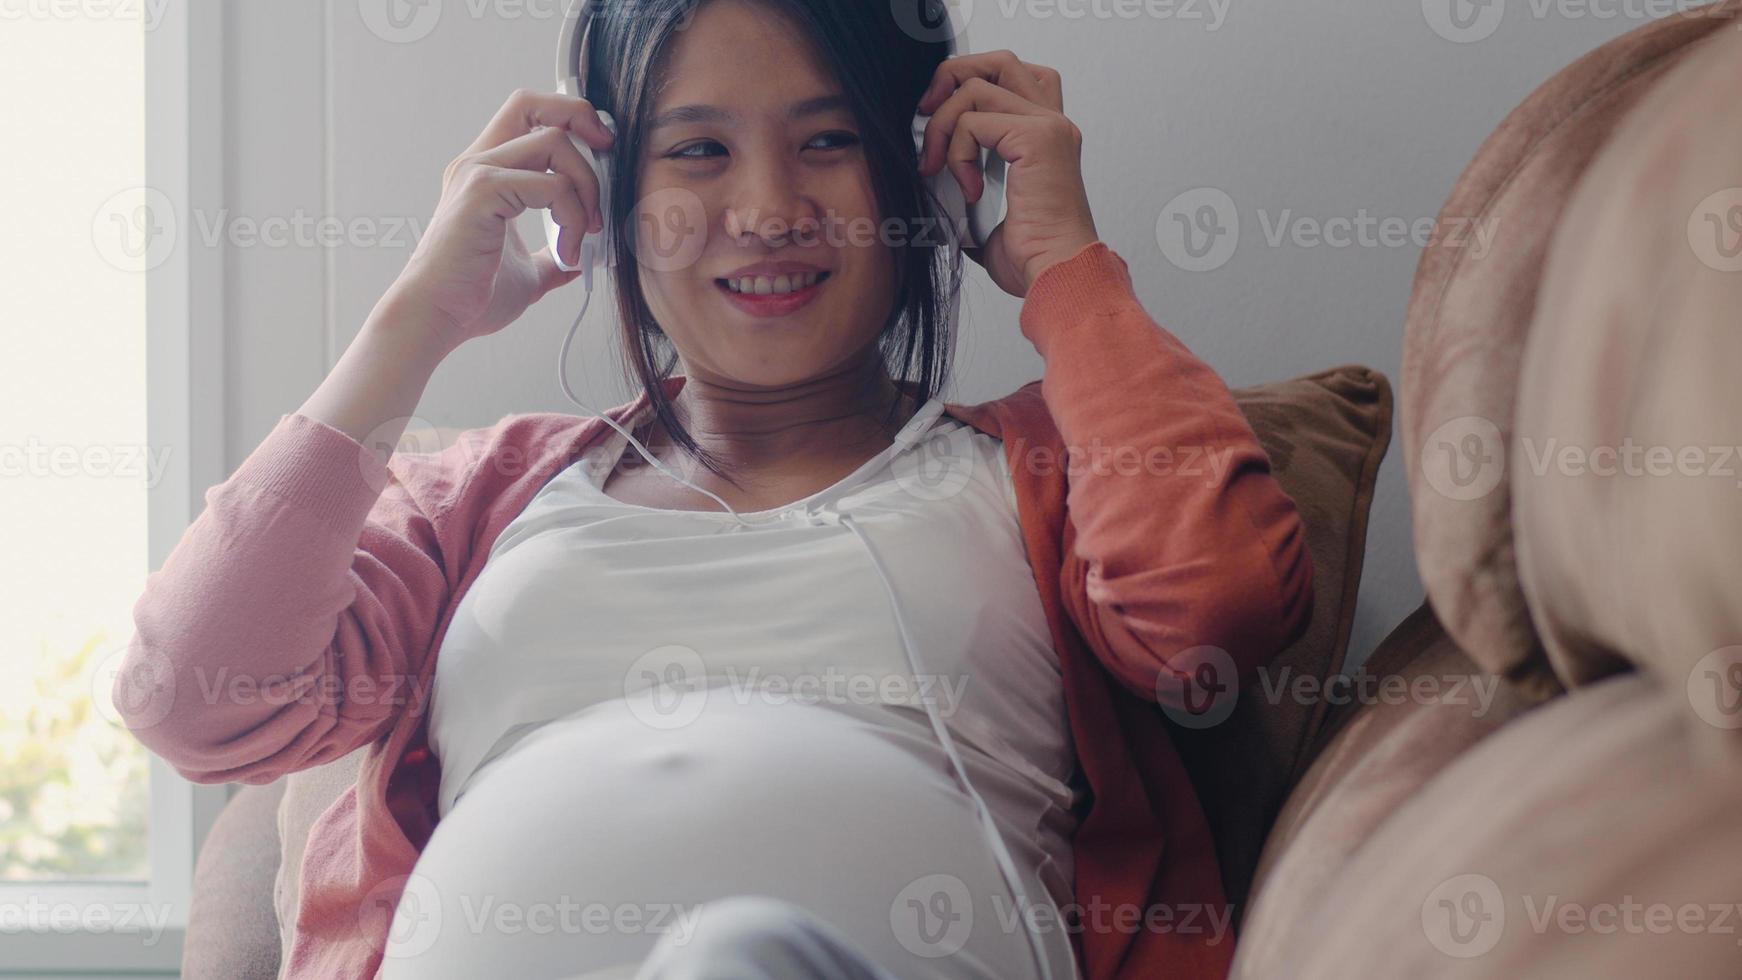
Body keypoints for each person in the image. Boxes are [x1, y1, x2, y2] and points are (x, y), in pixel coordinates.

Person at [117, 1, 1313, 977]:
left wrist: (1066, 265)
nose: (767, 210)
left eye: (829, 140)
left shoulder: (1042, 473)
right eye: (697, 149)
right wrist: (414, 320)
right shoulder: (478, 501)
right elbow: (192, 696)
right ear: (605, 202)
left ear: (926, 179)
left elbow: (1217, 609)